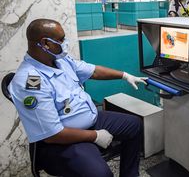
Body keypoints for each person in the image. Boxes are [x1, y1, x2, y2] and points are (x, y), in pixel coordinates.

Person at [8, 19, 146, 177]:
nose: (65, 43)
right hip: (63, 140)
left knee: (134, 125)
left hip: (90, 120)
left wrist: (124, 75)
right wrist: (95, 136)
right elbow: (53, 134)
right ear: (45, 43)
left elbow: (93, 71)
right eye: (61, 39)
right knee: (101, 174)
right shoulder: (30, 83)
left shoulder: (59, 60)